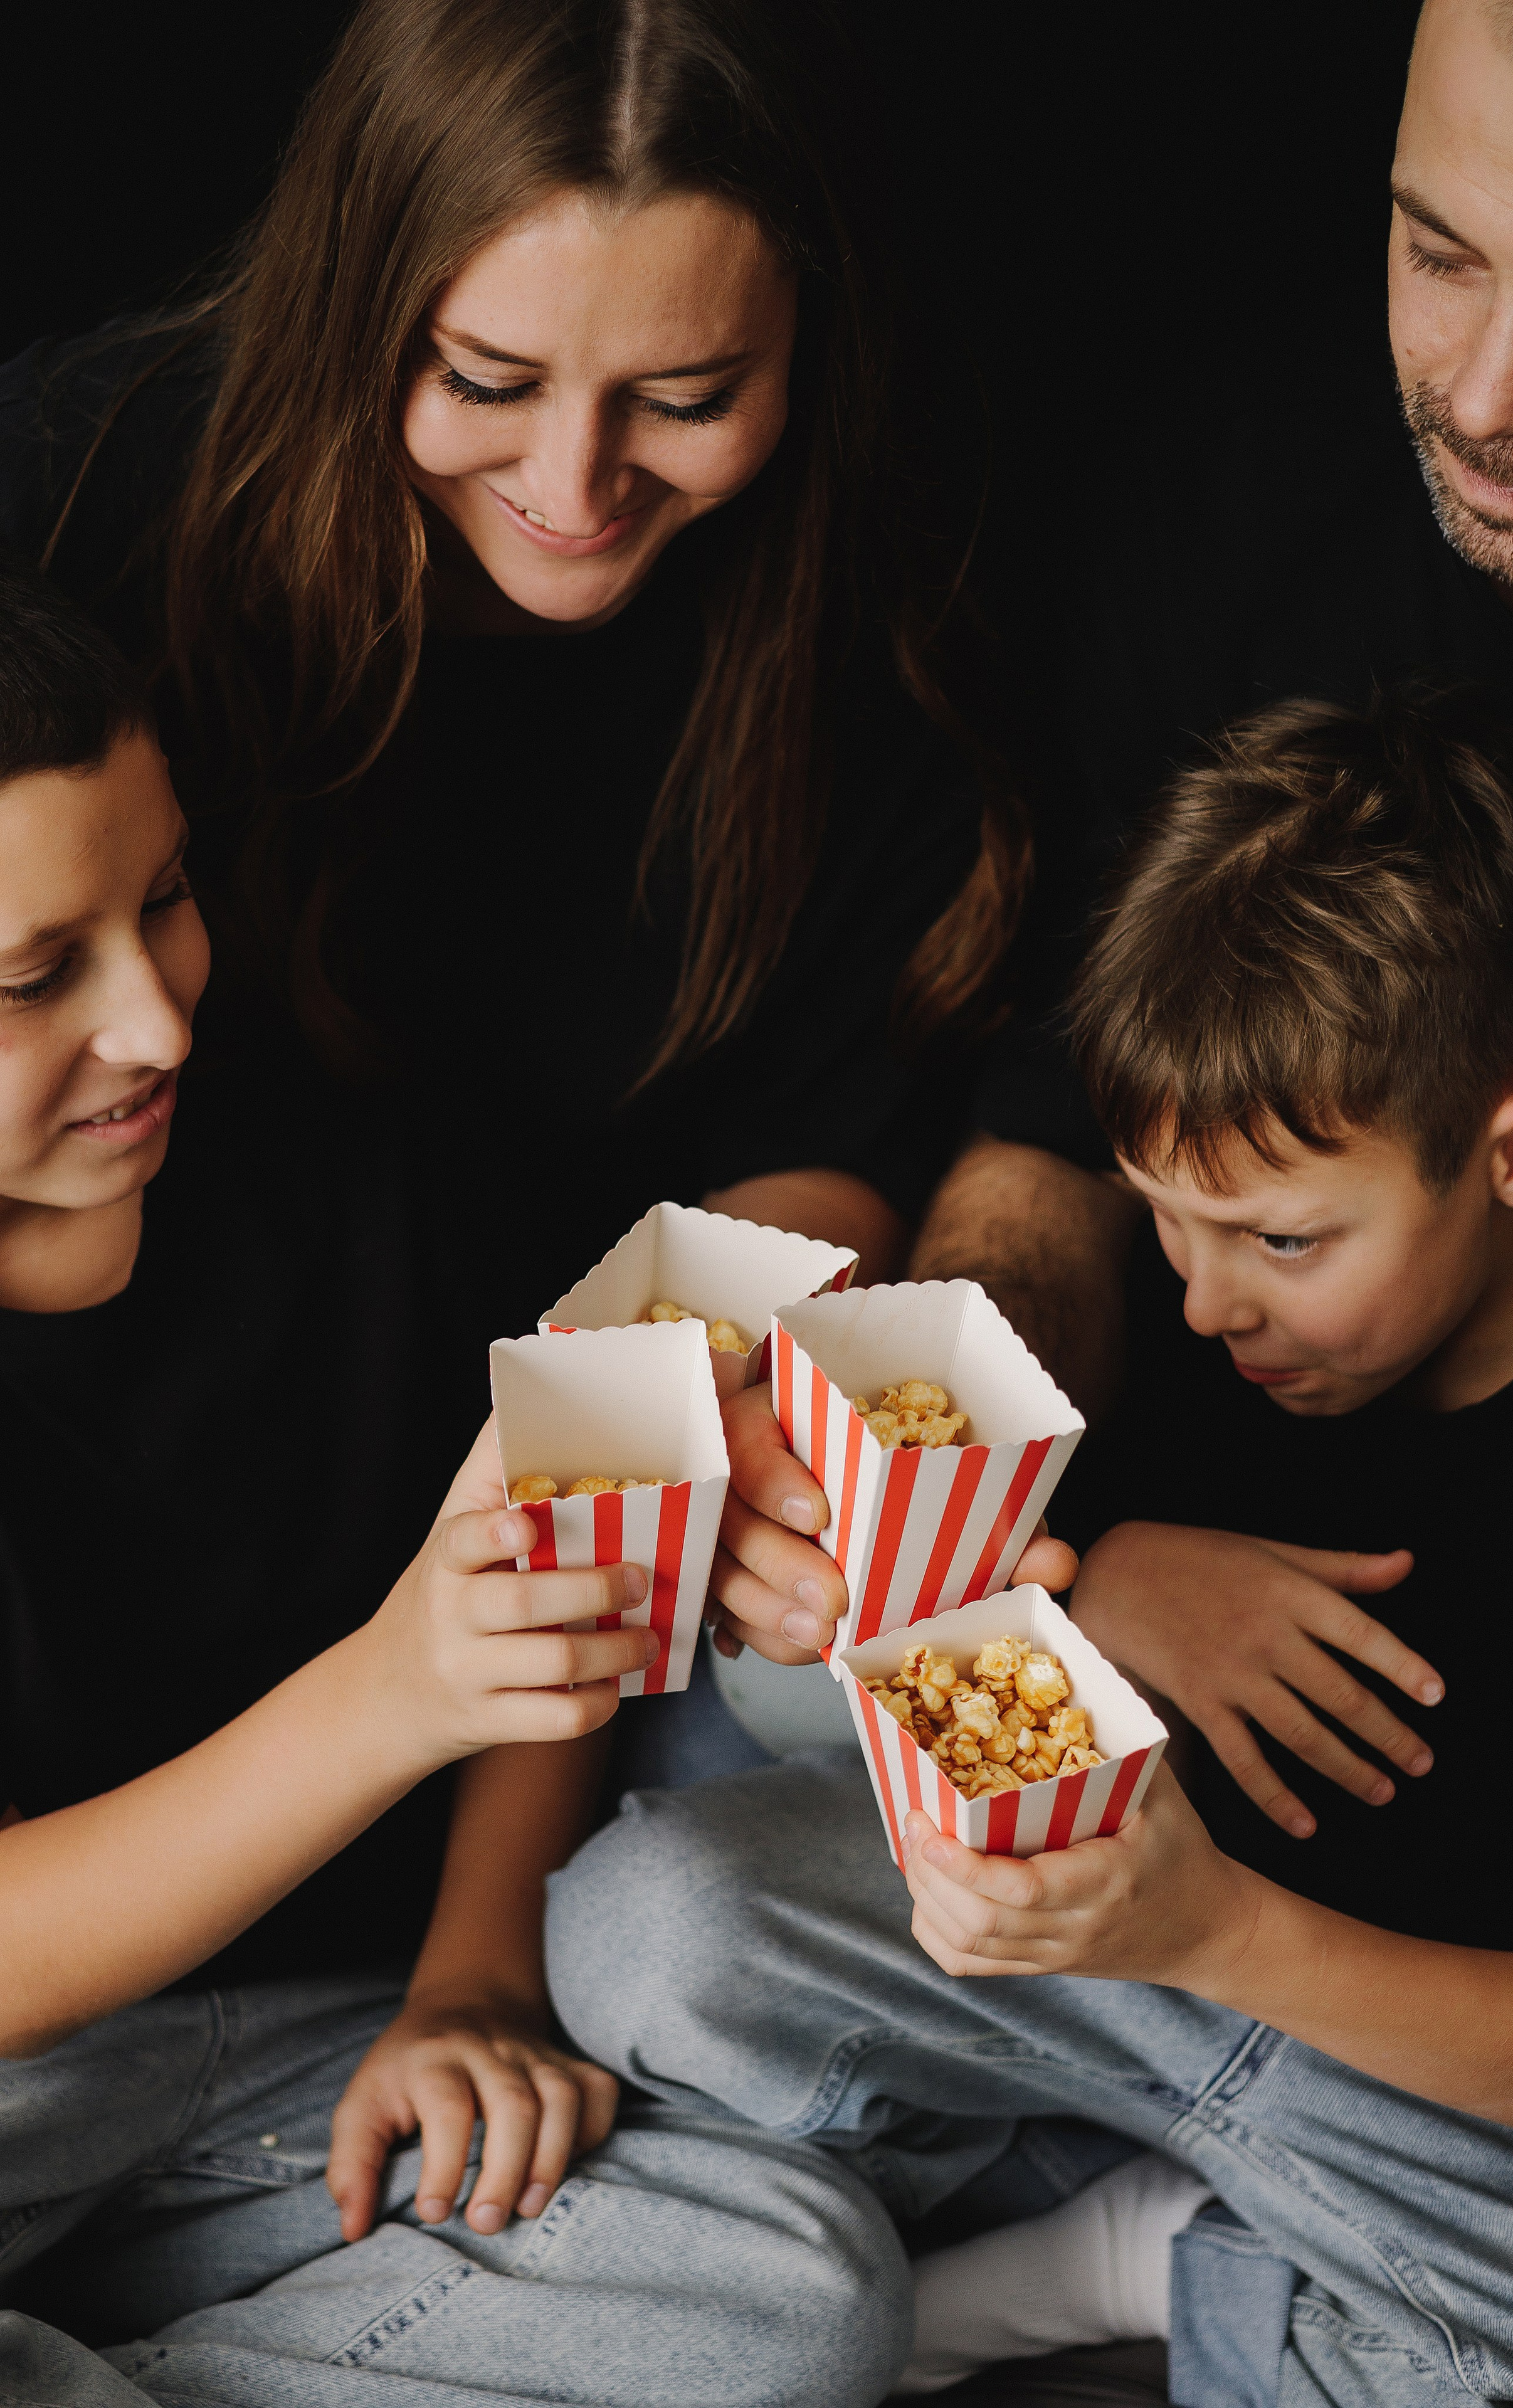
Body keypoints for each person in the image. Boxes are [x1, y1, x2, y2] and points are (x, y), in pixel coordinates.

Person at [0, 0, 1035, 2305]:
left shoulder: (843, 653)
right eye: (484, 380)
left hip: (516, 1561)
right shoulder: (91, 516)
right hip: (229, 1750)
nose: (577, 485)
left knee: (778, 2238)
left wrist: (482, 1943)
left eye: (682, 399)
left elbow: (790, 1194)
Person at [546, 685, 1513, 2408]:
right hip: (1103, 1970)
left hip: (1416, 2058)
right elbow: (931, 1632)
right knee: (642, 1920)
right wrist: (1074, 1575)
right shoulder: (1196, 1296)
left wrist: (1213, 1941)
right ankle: (1233, 2250)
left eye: (1279, 1239)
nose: (1207, 1300)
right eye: (1165, 1220)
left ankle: (1159, 2248)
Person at [0, 566, 904, 2408]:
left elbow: (571, 1542)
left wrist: (477, 1977)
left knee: (787, 2284)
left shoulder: (339, 1153)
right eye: (32, 979)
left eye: (163, 901)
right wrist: (389, 1690)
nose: (158, 1024)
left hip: (279, 2056)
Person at [877, 0, 1513, 1851]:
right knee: (686, 1850)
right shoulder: (1236, 502)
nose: (1499, 396)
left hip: (1481, 1833)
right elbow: (1053, 1139)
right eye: (1440, 256)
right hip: (1140, 1637)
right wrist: (969, 1543)